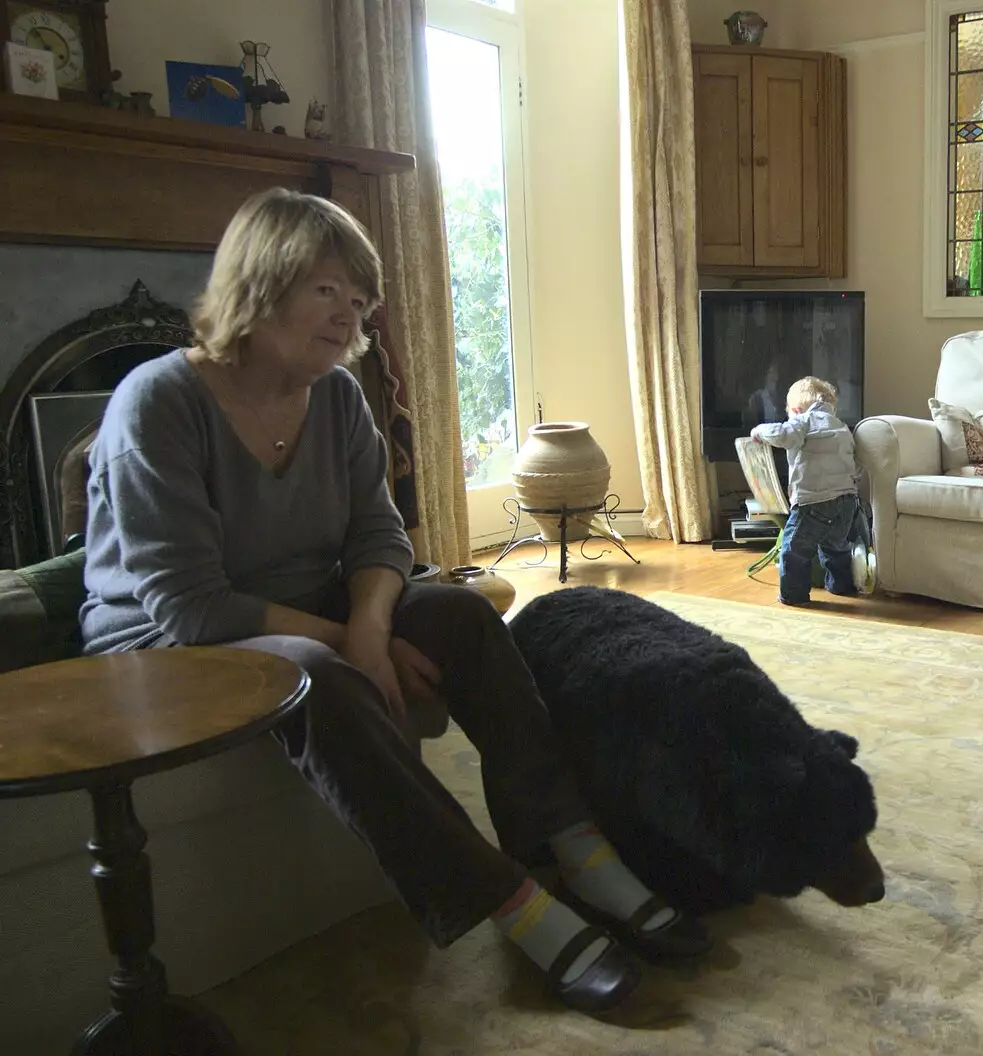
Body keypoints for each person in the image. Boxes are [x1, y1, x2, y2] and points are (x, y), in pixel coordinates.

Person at [77, 188, 708, 1016]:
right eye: (327, 290)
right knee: (313, 673)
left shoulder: (337, 397)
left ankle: (573, 843)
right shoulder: (158, 402)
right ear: (260, 284)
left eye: (361, 298)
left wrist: (371, 626)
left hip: (306, 604)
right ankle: (509, 904)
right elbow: (188, 603)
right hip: (163, 643)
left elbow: (381, 539)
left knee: (464, 616)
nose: (350, 315)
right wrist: (348, 643)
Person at [749, 376, 861, 606]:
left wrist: (759, 431)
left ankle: (794, 596)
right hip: (847, 502)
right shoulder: (841, 426)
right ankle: (841, 586)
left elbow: (783, 435)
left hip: (814, 502)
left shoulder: (804, 421)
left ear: (796, 410)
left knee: (795, 550)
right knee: (835, 547)